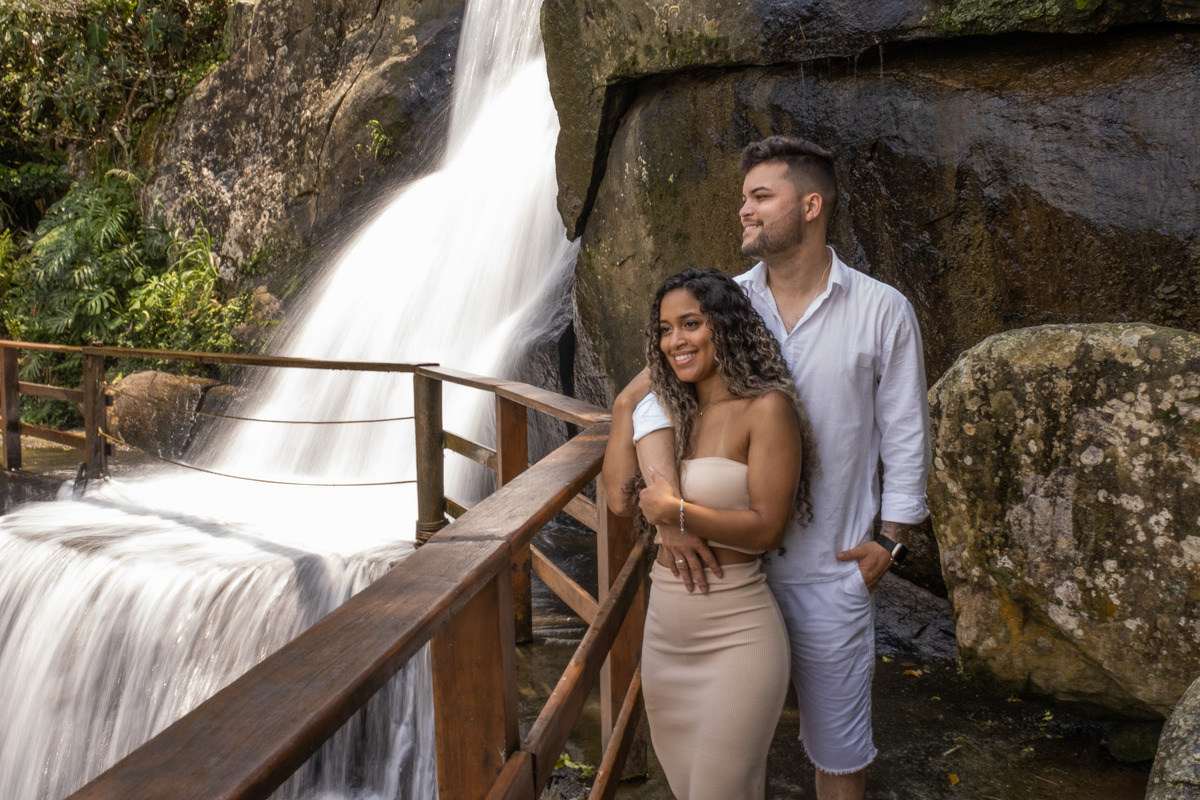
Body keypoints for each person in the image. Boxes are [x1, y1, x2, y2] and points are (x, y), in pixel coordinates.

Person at [615, 136, 931, 800]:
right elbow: (648, 401)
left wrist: (892, 540)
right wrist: (669, 512)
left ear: (810, 206)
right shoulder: (725, 302)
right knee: (723, 756)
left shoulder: (881, 309)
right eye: (744, 197)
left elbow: (906, 431)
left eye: (761, 196)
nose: (744, 210)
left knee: (839, 753)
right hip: (723, 570)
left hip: (830, 570)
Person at [602, 268, 817, 800]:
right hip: (665, 636)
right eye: (665, 330)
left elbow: (767, 528)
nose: (675, 340)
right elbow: (618, 499)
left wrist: (678, 515)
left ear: (726, 326)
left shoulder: (766, 409)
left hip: (737, 634)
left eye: (691, 324)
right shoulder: (668, 412)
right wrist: (624, 403)